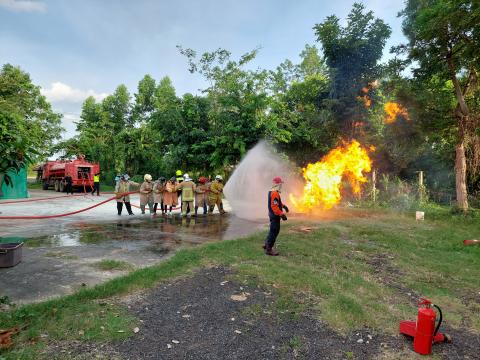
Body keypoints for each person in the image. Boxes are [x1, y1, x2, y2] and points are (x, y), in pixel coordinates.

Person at [263, 176, 289, 256]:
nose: (281, 185)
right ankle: (269, 249)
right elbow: (274, 206)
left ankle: (266, 243)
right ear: (278, 184)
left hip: (272, 214)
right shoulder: (274, 193)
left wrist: (283, 206)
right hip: (275, 215)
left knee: (272, 230)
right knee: (274, 231)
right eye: (280, 184)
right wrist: (281, 214)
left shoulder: (272, 191)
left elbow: (276, 203)